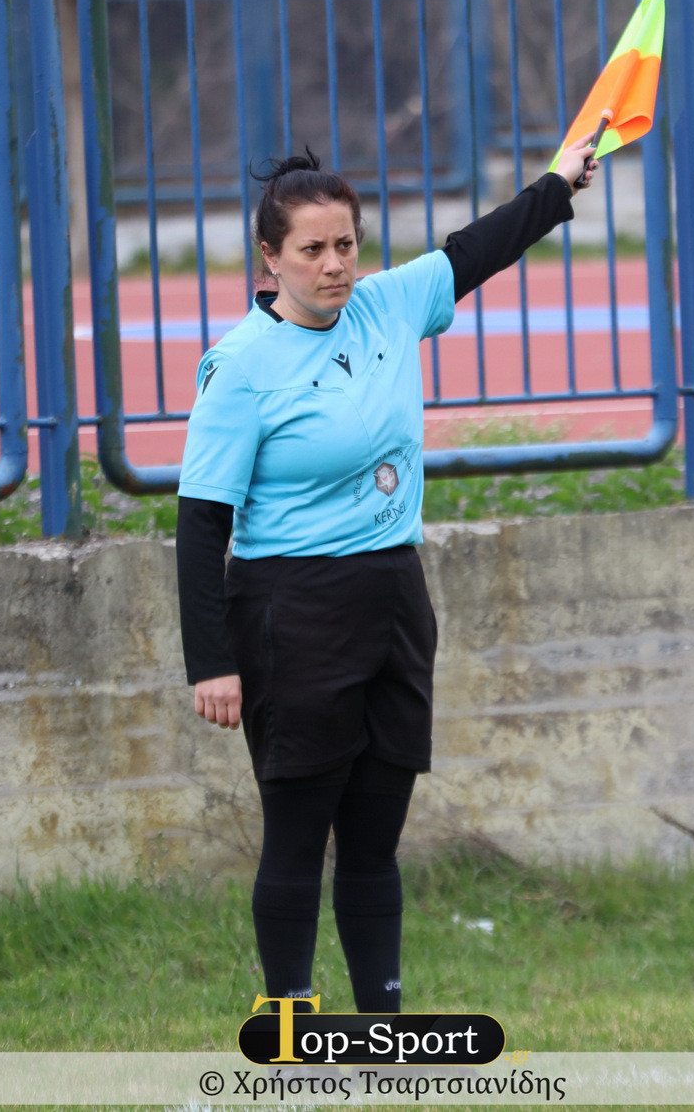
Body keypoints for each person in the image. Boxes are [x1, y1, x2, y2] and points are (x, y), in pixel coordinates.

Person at [176, 137, 598, 1014]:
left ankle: (382, 1024)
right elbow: (201, 522)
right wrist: (209, 661)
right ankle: (288, 1026)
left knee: (374, 841)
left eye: (346, 244)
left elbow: (478, 249)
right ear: (270, 257)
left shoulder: (387, 306)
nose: (334, 265)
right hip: (292, 611)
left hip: (394, 600)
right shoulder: (240, 366)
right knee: (298, 837)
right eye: (312, 250)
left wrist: (558, 185)